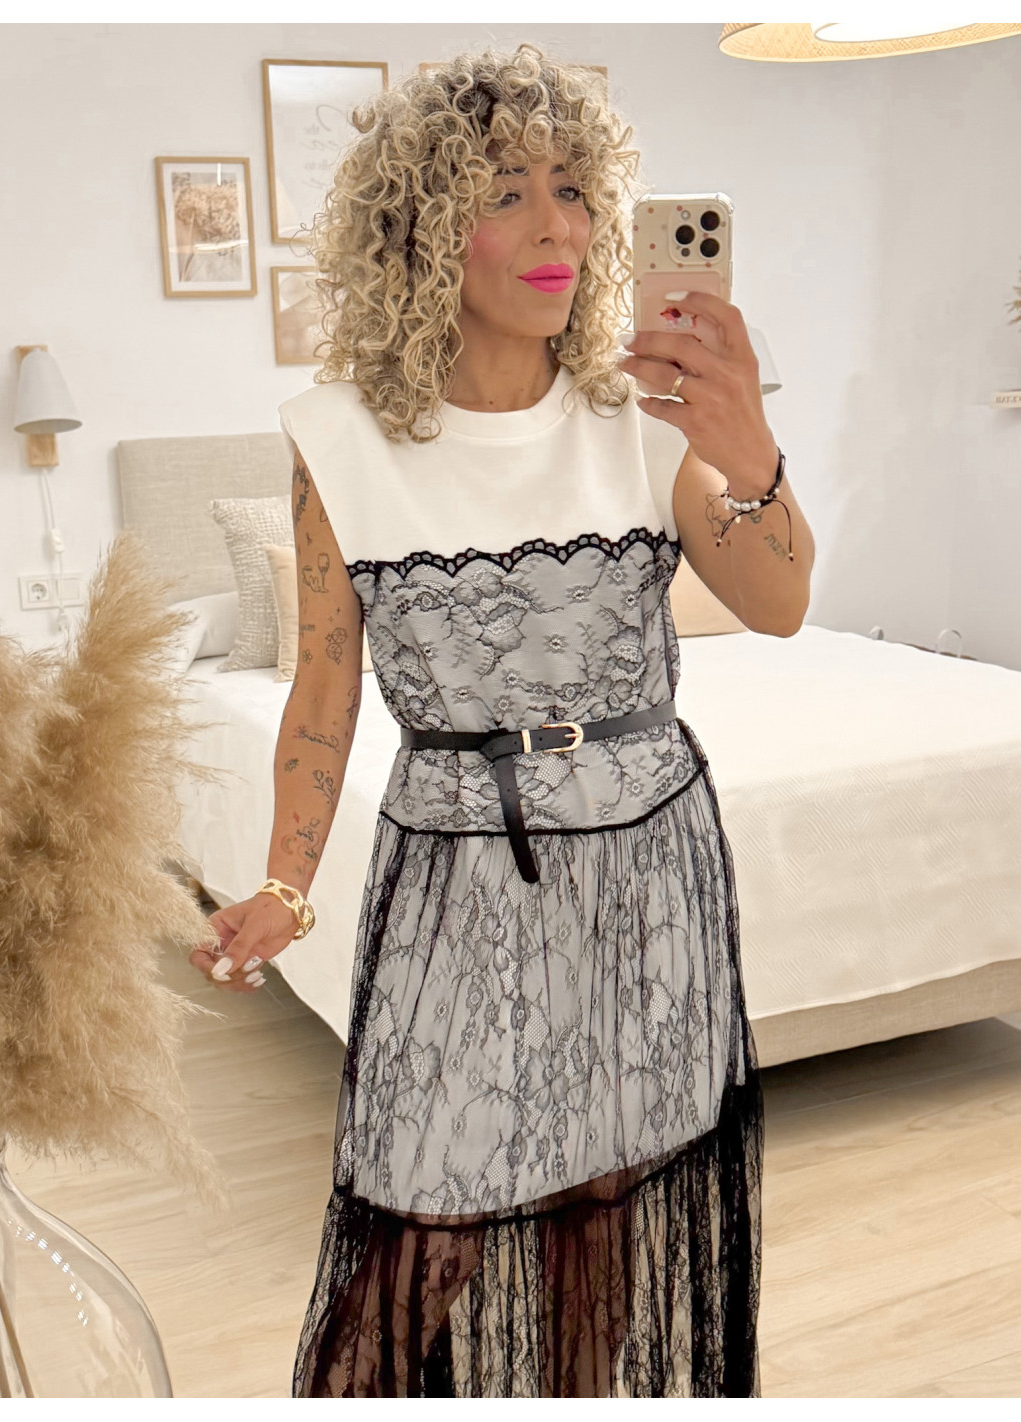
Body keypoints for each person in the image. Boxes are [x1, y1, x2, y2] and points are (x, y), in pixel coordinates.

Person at [190, 42, 815, 1397]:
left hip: (648, 871)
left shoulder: (644, 420)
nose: (556, 228)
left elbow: (779, 605)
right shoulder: (339, 436)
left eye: (575, 190)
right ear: (422, 226)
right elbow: (324, 687)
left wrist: (750, 449)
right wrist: (285, 885)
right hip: (461, 878)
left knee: (605, 1217)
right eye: (507, 193)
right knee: (422, 1224)